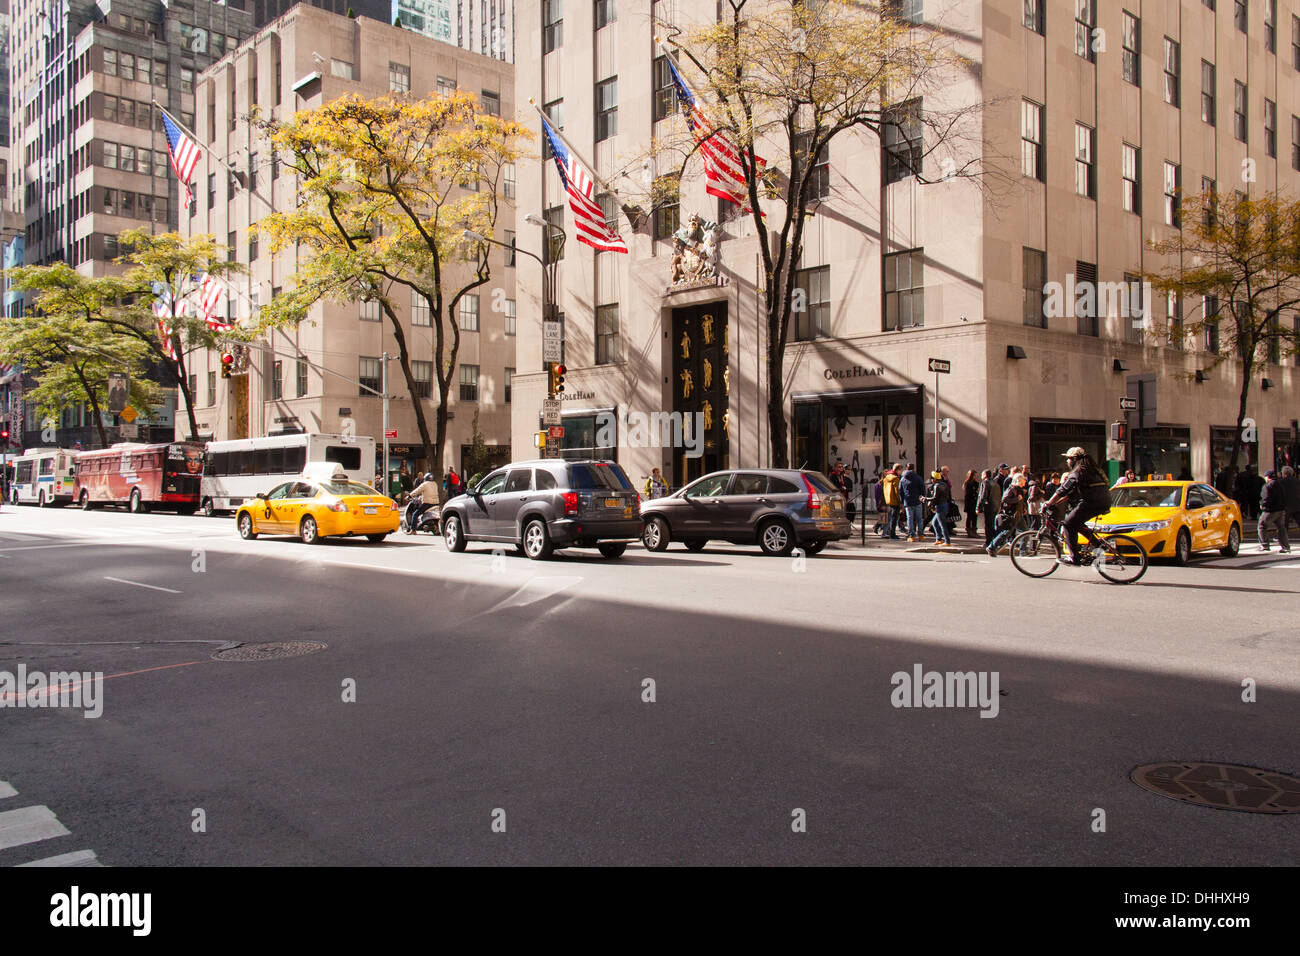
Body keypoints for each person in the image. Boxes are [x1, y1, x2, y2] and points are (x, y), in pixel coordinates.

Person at [1043, 447, 1113, 566]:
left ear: (1074, 459)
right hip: (1104, 501)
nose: (1067, 462)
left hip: (1092, 502)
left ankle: (1074, 558)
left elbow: (1063, 490)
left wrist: (1048, 503)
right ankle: (1098, 545)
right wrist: (1056, 502)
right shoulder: (1093, 470)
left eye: (1068, 459)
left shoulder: (1078, 471)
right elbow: (1071, 492)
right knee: (1077, 523)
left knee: (1068, 524)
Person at [986, 474, 1027, 556]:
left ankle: (1022, 551)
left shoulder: (1019, 489)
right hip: (1012, 515)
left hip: (1018, 514)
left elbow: (1021, 501)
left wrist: (1024, 508)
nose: (1024, 483)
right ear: (1017, 481)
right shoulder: (1011, 489)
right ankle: (991, 547)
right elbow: (1004, 499)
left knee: (1025, 532)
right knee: (1006, 533)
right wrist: (1016, 499)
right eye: (1022, 481)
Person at [1257, 470, 1291, 552]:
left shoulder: (1267, 486)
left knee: (1262, 526)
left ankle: (1264, 545)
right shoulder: (1281, 484)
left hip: (1270, 510)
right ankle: (1285, 546)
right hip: (1281, 509)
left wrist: (1263, 505)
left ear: (1268, 477)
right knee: (1281, 527)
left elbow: (1266, 498)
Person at [925, 470, 953, 546]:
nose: (931, 480)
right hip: (944, 505)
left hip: (940, 506)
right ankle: (939, 539)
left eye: (932, 478)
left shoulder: (936, 486)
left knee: (942, 524)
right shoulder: (945, 484)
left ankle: (947, 541)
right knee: (935, 523)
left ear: (934, 479)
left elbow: (935, 497)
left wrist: (925, 499)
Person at [900, 463, 925, 541]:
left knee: (910, 519)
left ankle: (912, 535)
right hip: (917, 500)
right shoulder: (918, 478)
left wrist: (902, 501)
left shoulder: (903, 478)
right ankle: (921, 535)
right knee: (919, 519)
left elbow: (900, 491)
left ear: (907, 468)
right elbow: (922, 488)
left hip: (907, 501)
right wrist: (922, 497)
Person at [881, 463, 902, 539]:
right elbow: (897, 491)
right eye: (900, 470)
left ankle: (888, 532)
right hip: (895, 501)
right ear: (897, 470)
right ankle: (892, 534)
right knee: (894, 518)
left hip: (888, 500)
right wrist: (900, 501)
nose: (901, 472)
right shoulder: (896, 478)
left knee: (889, 518)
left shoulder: (886, 478)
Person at [1282, 466, 1300, 537]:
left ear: (1283, 473)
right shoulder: (1297, 481)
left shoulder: (1281, 482)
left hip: (1285, 505)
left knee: (1284, 523)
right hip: (1297, 504)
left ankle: (1283, 537)